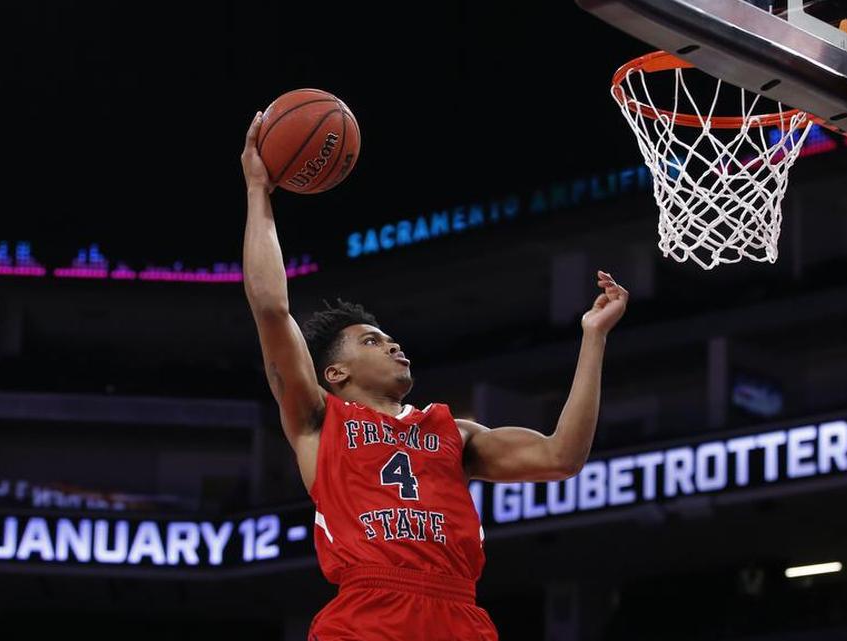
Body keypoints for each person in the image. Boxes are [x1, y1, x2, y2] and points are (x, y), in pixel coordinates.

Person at [240, 112, 629, 640]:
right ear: (334, 371)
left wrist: (594, 336)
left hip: (457, 614)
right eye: (371, 341)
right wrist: (260, 189)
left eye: (389, 336)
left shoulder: (454, 432)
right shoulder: (316, 418)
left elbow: (562, 457)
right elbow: (270, 307)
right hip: (367, 612)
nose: (393, 344)